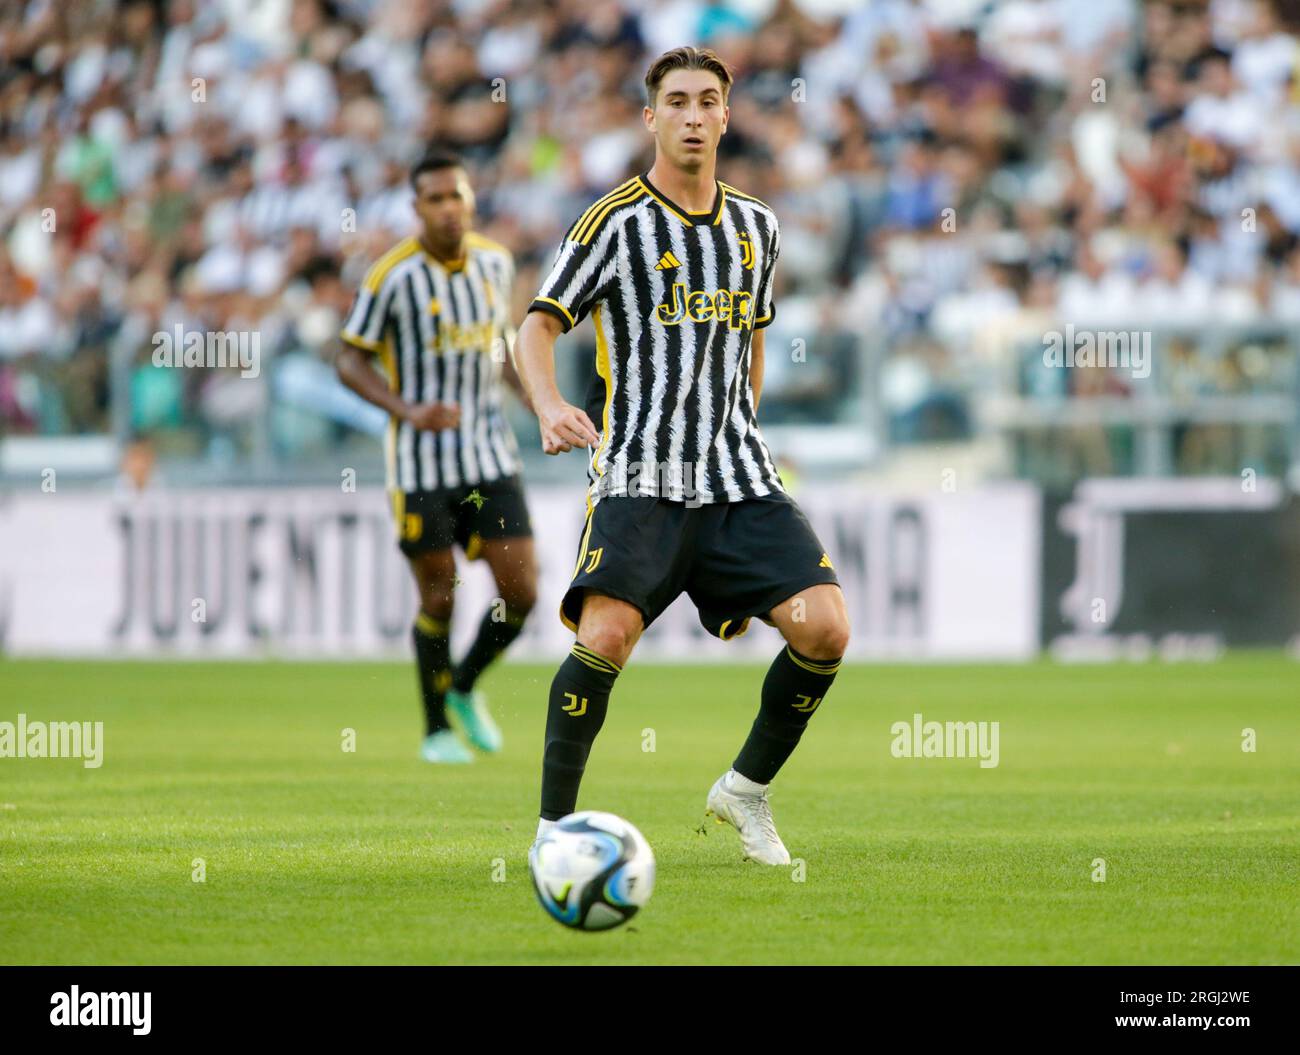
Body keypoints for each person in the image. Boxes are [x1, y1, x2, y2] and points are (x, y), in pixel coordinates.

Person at [515, 48, 850, 863]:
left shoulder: (757, 227)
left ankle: (745, 792)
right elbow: (536, 325)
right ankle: (553, 831)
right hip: (638, 473)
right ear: (651, 118)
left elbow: (753, 342)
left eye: (708, 101)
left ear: (727, 116)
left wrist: (740, 423)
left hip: (737, 476)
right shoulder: (613, 222)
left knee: (825, 629)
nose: (694, 115)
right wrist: (552, 405)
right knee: (607, 634)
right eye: (678, 101)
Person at [337, 150, 537, 764]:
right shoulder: (390, 276)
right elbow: (348, 358)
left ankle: (465, 686)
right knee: (440, 595)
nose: (449, 208)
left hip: (490, 456)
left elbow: (499, 349)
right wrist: (406, 409)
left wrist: (540, 403)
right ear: (416, 207)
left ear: (472, 200)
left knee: (522, 591)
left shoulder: (495, 264)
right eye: (436, 199)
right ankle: (435, 731)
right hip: (421, 465)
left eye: (457, 196)